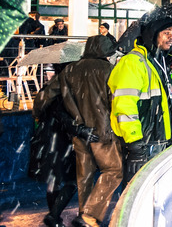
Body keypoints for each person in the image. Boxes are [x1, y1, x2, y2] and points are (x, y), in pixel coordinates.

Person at [42, 35, 121, 227]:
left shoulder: (70, 70)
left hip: (79, 134)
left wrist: (37, 114)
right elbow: (116, 101)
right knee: (114, 171)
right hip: (103, 133)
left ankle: (84, 215)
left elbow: (45, 96)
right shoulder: (109, 70)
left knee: (84, 178)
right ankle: (88, 216)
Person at [108, 17, 172, 183]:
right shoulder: (133, 62)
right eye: (166, 33)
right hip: (145, 144)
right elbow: (124, 105)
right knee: (141, 198)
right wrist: (134, 142)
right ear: (152, 35)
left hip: (161, 141)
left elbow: (165, 95)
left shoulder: (158, 61)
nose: (171, 37)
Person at [30, 76, 80, 227]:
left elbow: (37, 112)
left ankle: (55, 217)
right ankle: (53, 215)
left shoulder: (47, 88)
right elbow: (65, 117)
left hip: (45, 138)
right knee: (73, 180)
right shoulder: (67, 88)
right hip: (61, 140)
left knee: (54, 181)